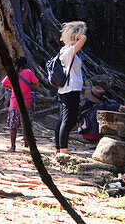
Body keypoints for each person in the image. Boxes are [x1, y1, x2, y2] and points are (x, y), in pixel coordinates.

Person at [54, 20, 87, 157]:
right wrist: (77, 34)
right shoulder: (68, 51)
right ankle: (63, 150)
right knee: (69, 120)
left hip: (67, 89)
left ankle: (58, 149)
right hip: (70, 89)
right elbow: (84, 38)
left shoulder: (65, 50)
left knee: (64, 119)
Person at [1, 55, 39, 151]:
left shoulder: (12, 73)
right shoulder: (29, 72)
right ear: (25, 64)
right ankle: (26, 146)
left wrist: (13, 88)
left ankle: (13, 147)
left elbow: (4, 84)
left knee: (13, 126)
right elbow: (37, 83)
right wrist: (31, 88)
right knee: (26, 125)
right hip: (26, 103)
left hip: (14, 103)